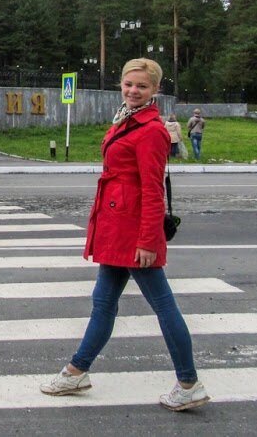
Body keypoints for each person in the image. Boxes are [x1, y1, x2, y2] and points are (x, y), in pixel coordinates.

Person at [39, 58, 210, 411]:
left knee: (163, 306)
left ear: (155, 90)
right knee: (103, 302)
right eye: (129, 84)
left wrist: (148, 240)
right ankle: (77, 371)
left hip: (134, 233)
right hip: (117, 229)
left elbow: (152, 190)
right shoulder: (127, 119)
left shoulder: (150, 130)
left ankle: (188, 382)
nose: (134, 90)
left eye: (142, 86)